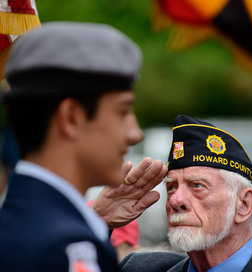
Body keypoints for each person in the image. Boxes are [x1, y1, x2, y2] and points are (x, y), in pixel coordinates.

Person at [0, 22, 168, 272]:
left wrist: (94, 222)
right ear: (71, 118)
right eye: (122, 112)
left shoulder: (20, 225)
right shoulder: (65, 248)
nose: (135, 133)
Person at [96, 115, 252, 272]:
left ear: (244, 204)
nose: (175, 200)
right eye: (171, 187)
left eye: (197, 186)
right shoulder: (139, 267)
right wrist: (99, 222)